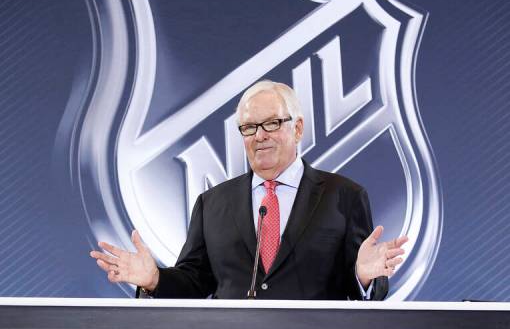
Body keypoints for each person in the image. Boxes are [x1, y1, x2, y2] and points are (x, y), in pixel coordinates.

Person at [91, 80, 408, 299]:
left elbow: (360, 289)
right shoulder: (213, 203)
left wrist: (363, 277)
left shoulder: (344, 196)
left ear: (297, 128)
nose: (260, 136)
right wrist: (155, 280)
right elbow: (195, 282)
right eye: (249, 127)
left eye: (272, 123)